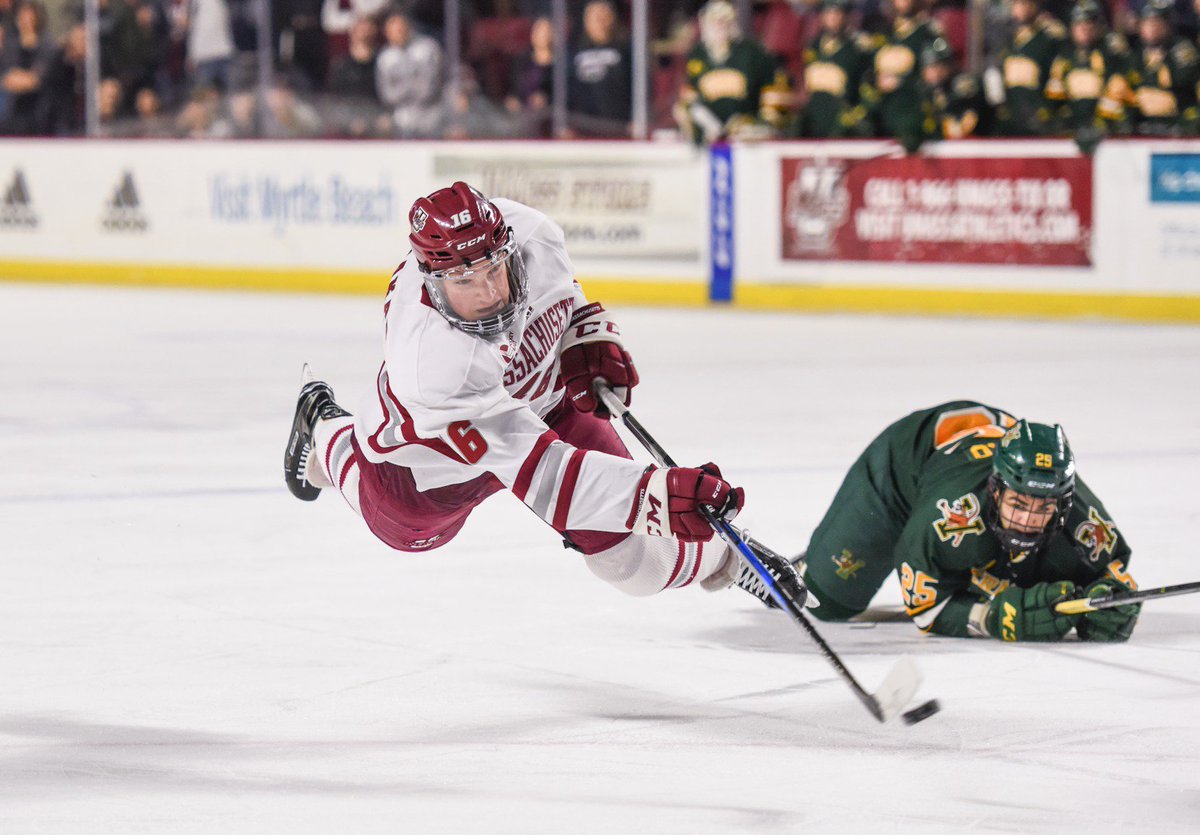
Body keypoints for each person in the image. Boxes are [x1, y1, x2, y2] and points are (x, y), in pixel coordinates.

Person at [283, 182, 806, 607]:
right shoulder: (433, 365)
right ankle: (326, 428)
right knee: (408, 533)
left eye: (494, 269)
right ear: (435, 284)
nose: (489, 292)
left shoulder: (533, 234)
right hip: (430, 461)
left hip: (545, 406)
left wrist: (586, 333)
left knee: (632, 565)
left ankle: (733, 561)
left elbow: (566, 294)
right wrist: (657, 496)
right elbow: (551, 477)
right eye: (466, 281)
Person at [798, 401, 1140, 642]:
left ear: (1065, 500)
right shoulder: (949, 516)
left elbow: (1112, 573)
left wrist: (1109, 604)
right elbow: (925, 610)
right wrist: (989, 619)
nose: (1027, 520)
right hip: (904, 471)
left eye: (1044, 507)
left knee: (1023, 559)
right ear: (995, 490)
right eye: (1019, 503)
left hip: (961, 469)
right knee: (825, 601)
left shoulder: (1081, 516)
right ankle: (819, 555)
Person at [673, 0, 791, 144]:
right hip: (710, 140)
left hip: (748, 141)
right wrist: (694, 125)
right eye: (715, 21)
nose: (720, 25)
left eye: (724, 20)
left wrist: (761, 124)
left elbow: (774, 93)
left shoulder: (753, 53)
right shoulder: (697, 56)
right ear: (704, 23)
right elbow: (689, 101)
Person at [1044, 0, 1134, 138]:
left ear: (1099, 27)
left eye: (1089, 25)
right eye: (1079, 25)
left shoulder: (1111, 55)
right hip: (1072, 128)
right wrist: (1060, 121)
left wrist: (1103, 121)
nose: (1084, 29)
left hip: (1107, 129)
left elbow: (1119, 90)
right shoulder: (1064, 58)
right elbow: (1055, 98)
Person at [790, 0, 873, 139]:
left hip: (841, 120)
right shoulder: (813, 46)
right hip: (813, 118)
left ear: (846, 17)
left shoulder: (856, 49)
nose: (833, 19)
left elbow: (864, 88)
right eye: (829, 14)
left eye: (837, 14)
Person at [991, 0, 1066, 136]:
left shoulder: (1049, 39)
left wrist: (1047, 109)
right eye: (1018, 4)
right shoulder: (1009, 40)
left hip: (1039, 116)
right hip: (1012, 115)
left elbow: (1057, 77)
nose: (1022, 8)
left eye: (1026, 3)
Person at [1128, 0, 1199, 135]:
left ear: (1168, 25)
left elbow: (1187, 88)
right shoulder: (1135, 56)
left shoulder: (1184, 53)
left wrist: (1188, 122)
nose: (1152, 28)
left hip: (1180, 127)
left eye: (1157, 23)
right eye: (1147, 23)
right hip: (1145, 128)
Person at [564, 0, 632, 137]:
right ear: (586, 21)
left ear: (613, 18)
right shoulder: (574, 52)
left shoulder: (626, 50)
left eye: (604, 16)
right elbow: (566, 89)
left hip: (618, 128)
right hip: (583, 129)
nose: (600, 21)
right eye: (595, 17)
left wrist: (635, 118)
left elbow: (637, 86)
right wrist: (567, 124)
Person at [917, 36, 987, 141]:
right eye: (930, 67)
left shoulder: (962, 85)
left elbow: (969, 115)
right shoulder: (921, 90)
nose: (935, 72)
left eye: (939, 66)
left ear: (949, 65)